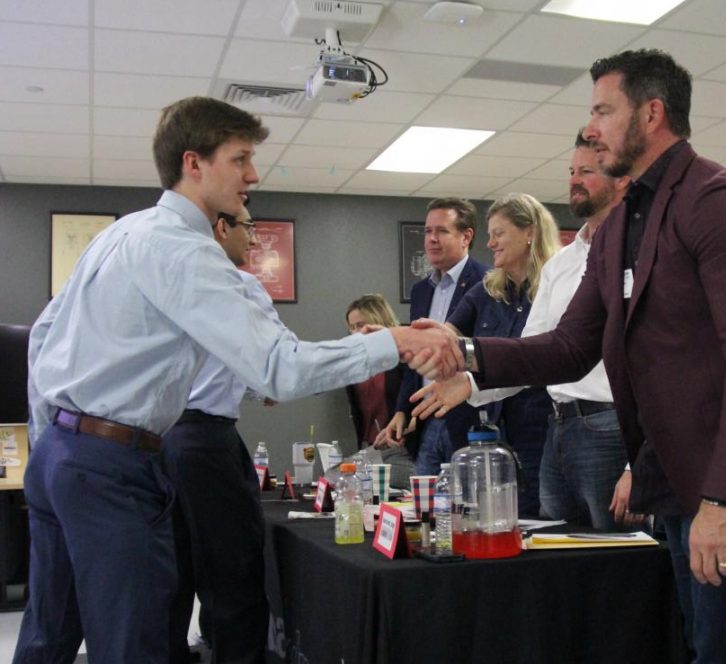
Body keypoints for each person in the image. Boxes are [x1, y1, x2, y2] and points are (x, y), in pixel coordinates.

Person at [410, 50, 726, 663]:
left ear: (652, 114)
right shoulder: (619, 228)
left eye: (604, 110)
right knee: (695, 644)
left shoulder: (719, 202)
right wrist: (463, 351)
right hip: (684, 478)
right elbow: (570, 346)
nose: (593, 127)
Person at [17, 95, 459, 663]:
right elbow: (280, 366)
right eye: (241, 158)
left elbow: (42, 336)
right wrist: (394, 341)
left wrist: (47, 442)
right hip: (111, 467)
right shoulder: (184, 250)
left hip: (60, 453)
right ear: (194, 163)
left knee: (47, 637)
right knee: (133, 644)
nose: (253, 175)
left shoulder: (121, 233)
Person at [413, 132, 633, 530]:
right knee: (556, 544)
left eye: (586, 171)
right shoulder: (562, 264)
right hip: (559, 428)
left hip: (608, 425)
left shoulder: (638, 252)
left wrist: (639, 461)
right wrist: (470, 383)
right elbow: (532, 353)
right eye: (571, 171)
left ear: (620, 178)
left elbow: (651, 365)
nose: (573, 181)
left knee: (616, 549)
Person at [161, 206, 279, 664]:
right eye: (248, 227)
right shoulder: (242, 288)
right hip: (206, 440)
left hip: (164, 438)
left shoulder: (173, 281)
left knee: (178, 566)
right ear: (221, 227)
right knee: (235, 568)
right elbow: (274, 364)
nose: (253, 239)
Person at [413, 193, 559, 516]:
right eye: (489, 234)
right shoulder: (486, 290)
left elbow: (532, 359)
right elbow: (447, 335)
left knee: (536, 520)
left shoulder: (555, 289)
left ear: (529, 232)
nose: (490, 243)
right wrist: (398, 339)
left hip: (539, 431)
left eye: (499, 233)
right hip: (490, 432)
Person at [375, 198, 488, 475]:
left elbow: (490, 353)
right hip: (428, 420)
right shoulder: (421, 291)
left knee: (468, 509)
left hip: (468, 421)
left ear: (466, 236)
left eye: (442, 231)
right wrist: (403, 410)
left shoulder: (487, 282)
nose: (432, 239)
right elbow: (416, 360)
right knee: (425, 508)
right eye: (427, 232)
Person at [344, 293, 414, 488]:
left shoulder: (404, 359)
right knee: (336, 478)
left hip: (401, 448)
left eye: (361, 325)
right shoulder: (355, 363)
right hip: (371, 447)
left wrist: (406, 424)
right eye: (352, 327)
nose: (357, 332)